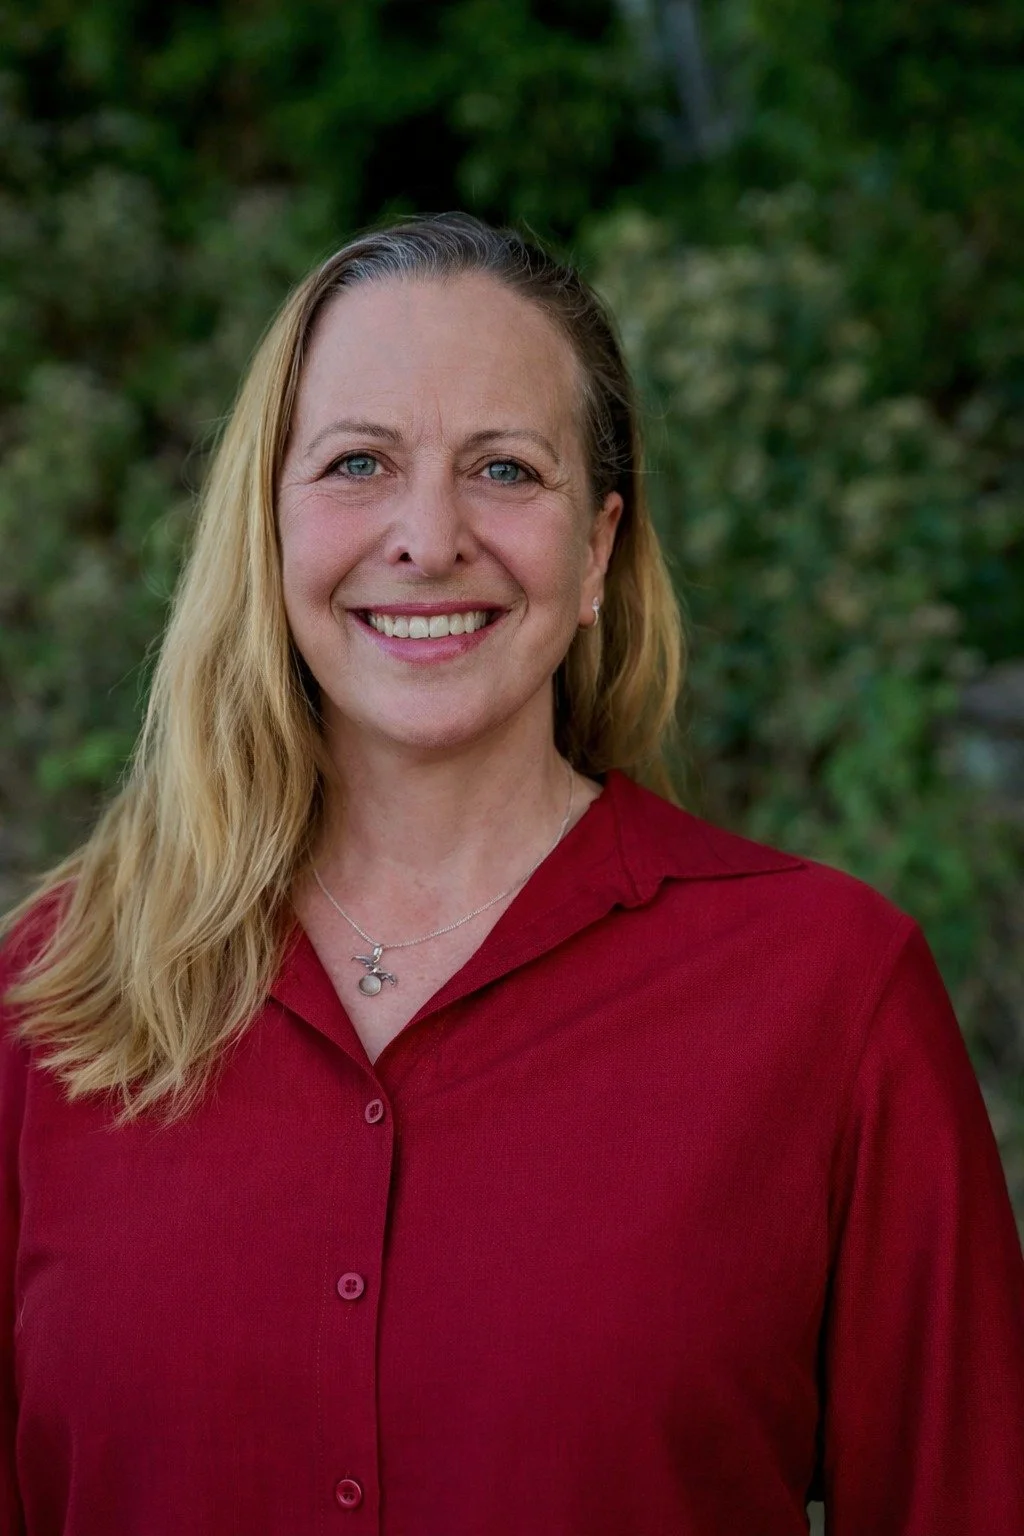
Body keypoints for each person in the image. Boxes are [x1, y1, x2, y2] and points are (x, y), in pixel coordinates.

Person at [1, 212, 1022, 1536]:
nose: (429, 538)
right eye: (359, 463)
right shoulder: (51, 1001)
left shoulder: (829, 997)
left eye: (504, 469)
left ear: (596, 550)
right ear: (268, 528)